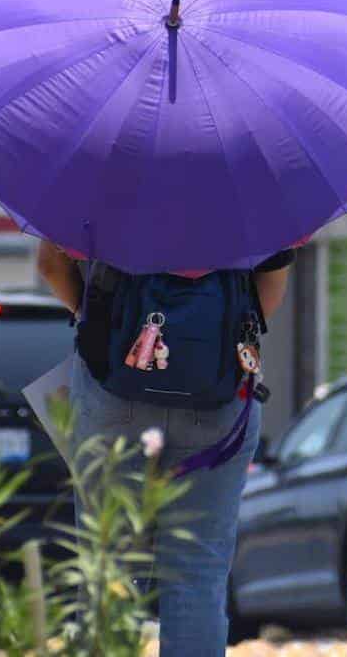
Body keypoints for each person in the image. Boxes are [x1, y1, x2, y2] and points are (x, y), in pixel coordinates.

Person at [37, 239, 294, 656]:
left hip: (111, 391)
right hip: (217, 403)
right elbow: (270, 290)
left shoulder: (103, 175)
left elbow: (50, 265)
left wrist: (98, 322)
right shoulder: (244, 183)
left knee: (110, 568)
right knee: (198, 573)